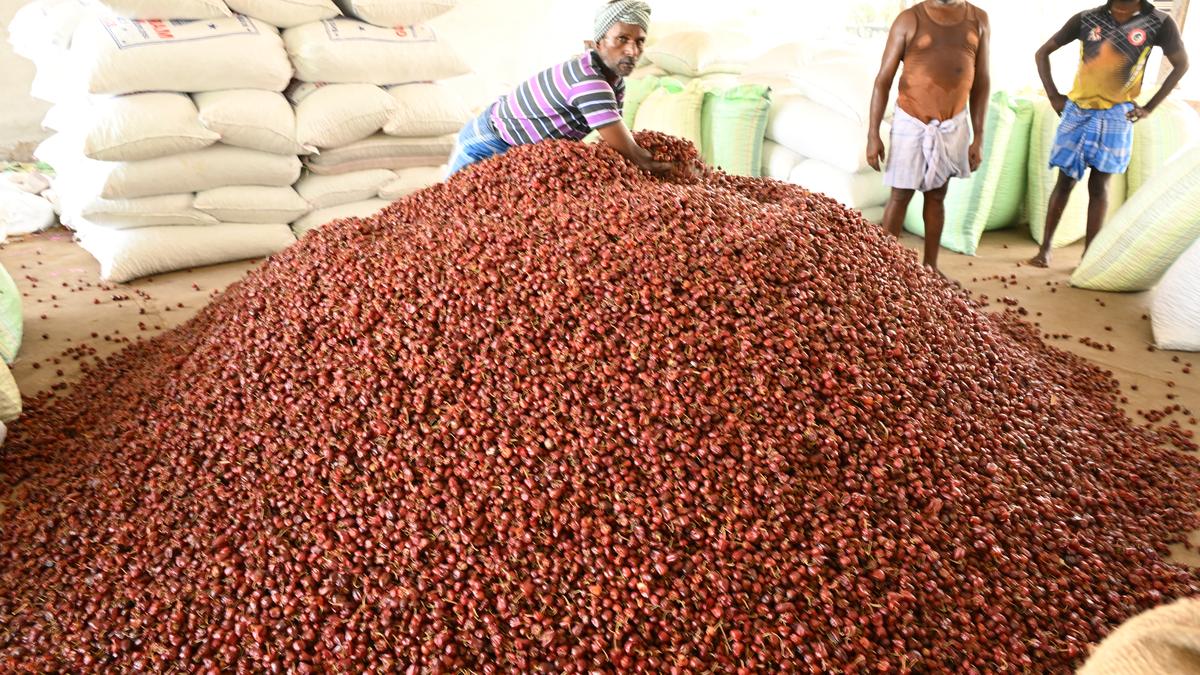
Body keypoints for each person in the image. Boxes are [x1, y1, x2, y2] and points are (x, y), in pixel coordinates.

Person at [1029, 0, 1189, 268]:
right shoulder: (1087, 18)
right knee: (1064, 181)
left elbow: (1181, 64)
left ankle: (1087, 257)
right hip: (1077, 112)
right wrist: (1054, 96)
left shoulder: (1159, 22)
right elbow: (1042, 52)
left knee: (1099, 187)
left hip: (1117, 116)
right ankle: (1044, 250)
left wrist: (1149, 107)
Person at [447, 0, 673, 177]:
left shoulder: (616, 84)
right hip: (490, 143)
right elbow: (632, 154)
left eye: (640, 41)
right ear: (598, 42)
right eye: (621, 39)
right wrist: (667, 168)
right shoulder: (589, 80)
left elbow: (615, 143)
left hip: (525, 156)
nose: (632, 51)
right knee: (451, 216)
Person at [866, 0, 991, 272]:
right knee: (900, 195)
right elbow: (882, 81)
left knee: (937, 195)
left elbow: (981, 81)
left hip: (952, 125)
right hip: (911, 123)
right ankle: (884, 270)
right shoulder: (910, 19)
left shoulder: (978, 19)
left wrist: (979, 136)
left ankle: (931, 269)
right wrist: (873, 133)